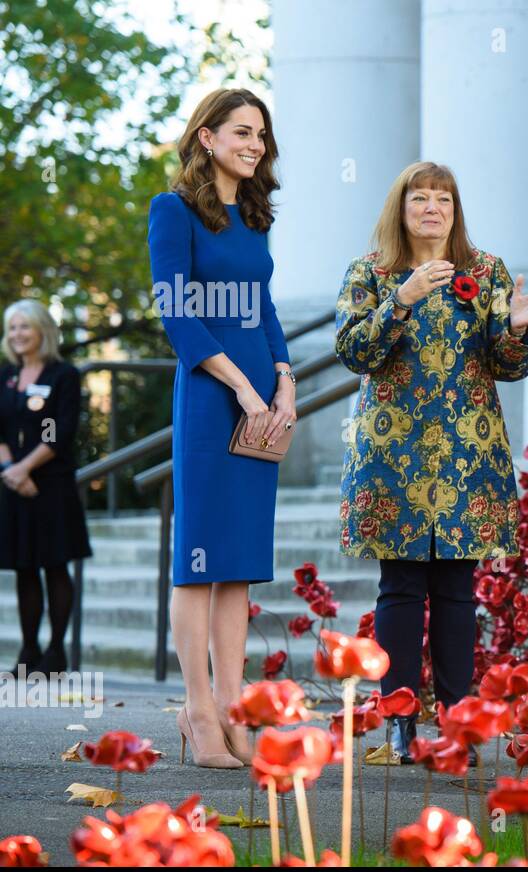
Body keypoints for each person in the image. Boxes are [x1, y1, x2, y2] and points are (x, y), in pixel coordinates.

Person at [334, 161, 528, 764]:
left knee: (459, 589)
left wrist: (516, 330)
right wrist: (401, 300)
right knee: (401, 587)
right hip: (394, 450)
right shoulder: (371, 272)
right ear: (401, 207)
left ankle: (460, 721)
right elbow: (353, 351)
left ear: (455, 210)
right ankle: (400, 722)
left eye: (443, 199)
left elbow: (508, 365)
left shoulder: (485, 271)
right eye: (420, 198)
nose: (433, 208)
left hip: (468, 449)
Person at [147, 88, 296, 769]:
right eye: (242, 132)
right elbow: (177, 314)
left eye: (260, 134)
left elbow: (262, 306)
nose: (255, 144)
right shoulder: (171, 211)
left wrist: (284, 377)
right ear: (205, 138)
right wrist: (239, 383)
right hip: (211, 400)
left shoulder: (256, 215)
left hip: (263, 400)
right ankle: (199, 712)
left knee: (237, 565)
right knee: (198, 561)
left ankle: (238, 715)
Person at [0, 300, 92, 676]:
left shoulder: (62, 375)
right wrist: (9, 468)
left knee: (54, 564)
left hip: (50, 484)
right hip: (12, 482)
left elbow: (57, 429)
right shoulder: (5, 376)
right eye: (12, 328)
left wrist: (25, 467)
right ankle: (28, 650)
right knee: (24, 567)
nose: (17, 335)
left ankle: (55, 652)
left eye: (25, 327)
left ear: (42, 331)